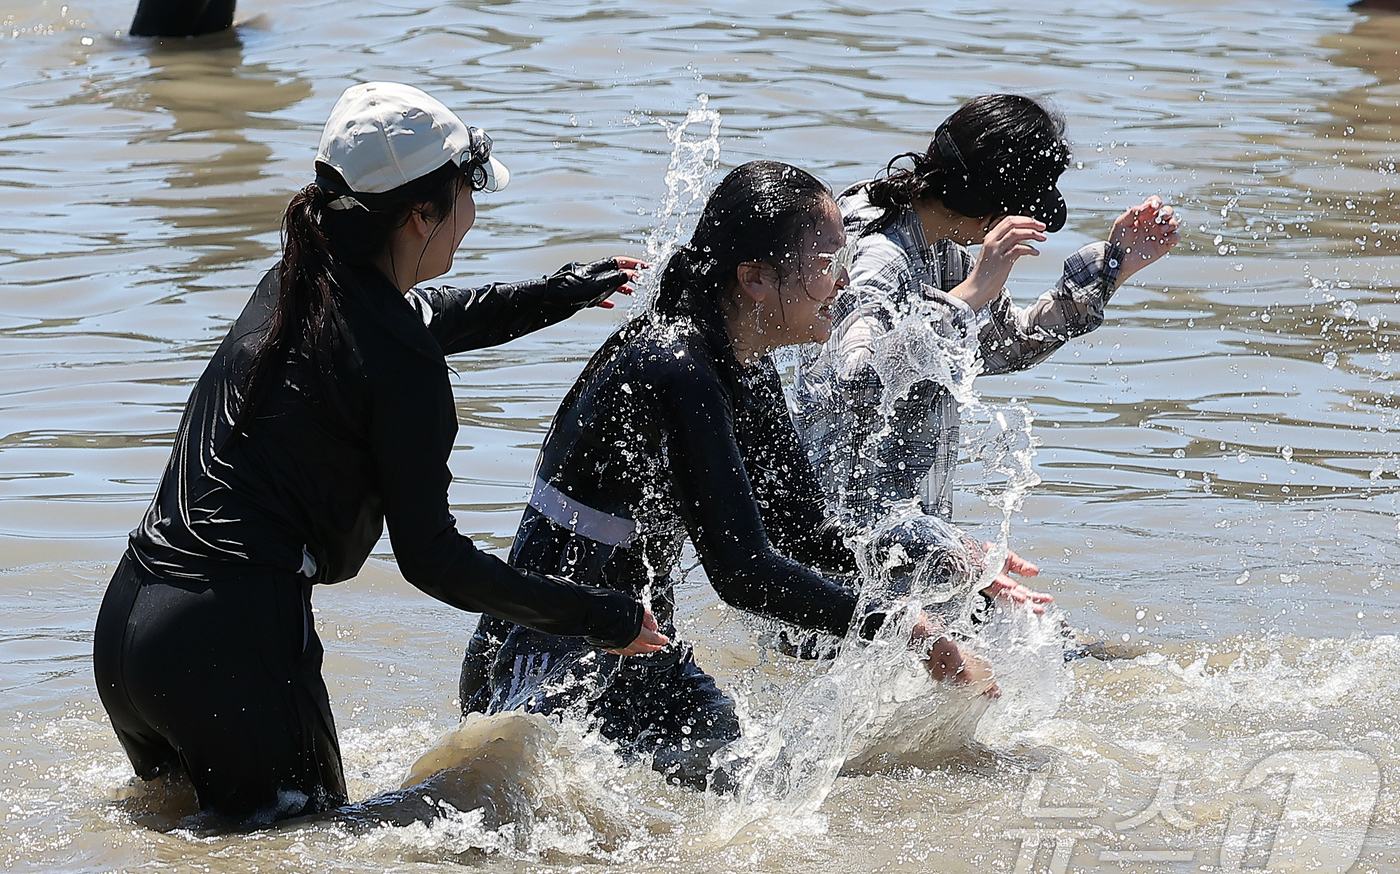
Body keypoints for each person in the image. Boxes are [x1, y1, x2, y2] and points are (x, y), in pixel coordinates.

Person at [92, 81, 668, 830]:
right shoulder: (402, 367)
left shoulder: (296, 282)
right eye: (471, 187)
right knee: (309, 852)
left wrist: (560, 292)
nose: (474, 212)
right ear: (418, 215)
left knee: (182, 854)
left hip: (131, 627)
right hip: (228, 645)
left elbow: (421, 315)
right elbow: (434, 560)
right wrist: (599, 616)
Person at [459, 161, 995, 791]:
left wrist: (947, 565)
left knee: (768, 790)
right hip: (544, 664)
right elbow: (742, 573)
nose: (845, 282)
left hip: (639, 656)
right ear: (755, 279)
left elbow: (806, 537)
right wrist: (903, 628)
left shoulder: (742, 367)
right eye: (826, 263)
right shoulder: (674, 367)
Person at [793, 94, 1181, 614]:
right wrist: (971, 294)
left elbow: (1001, 347)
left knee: (1046, 649)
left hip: (904, 538)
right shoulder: (878, 247)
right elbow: (852, 372)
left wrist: (1113, 267)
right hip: (845, 548)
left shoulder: (935, 236)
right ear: (990, 199)